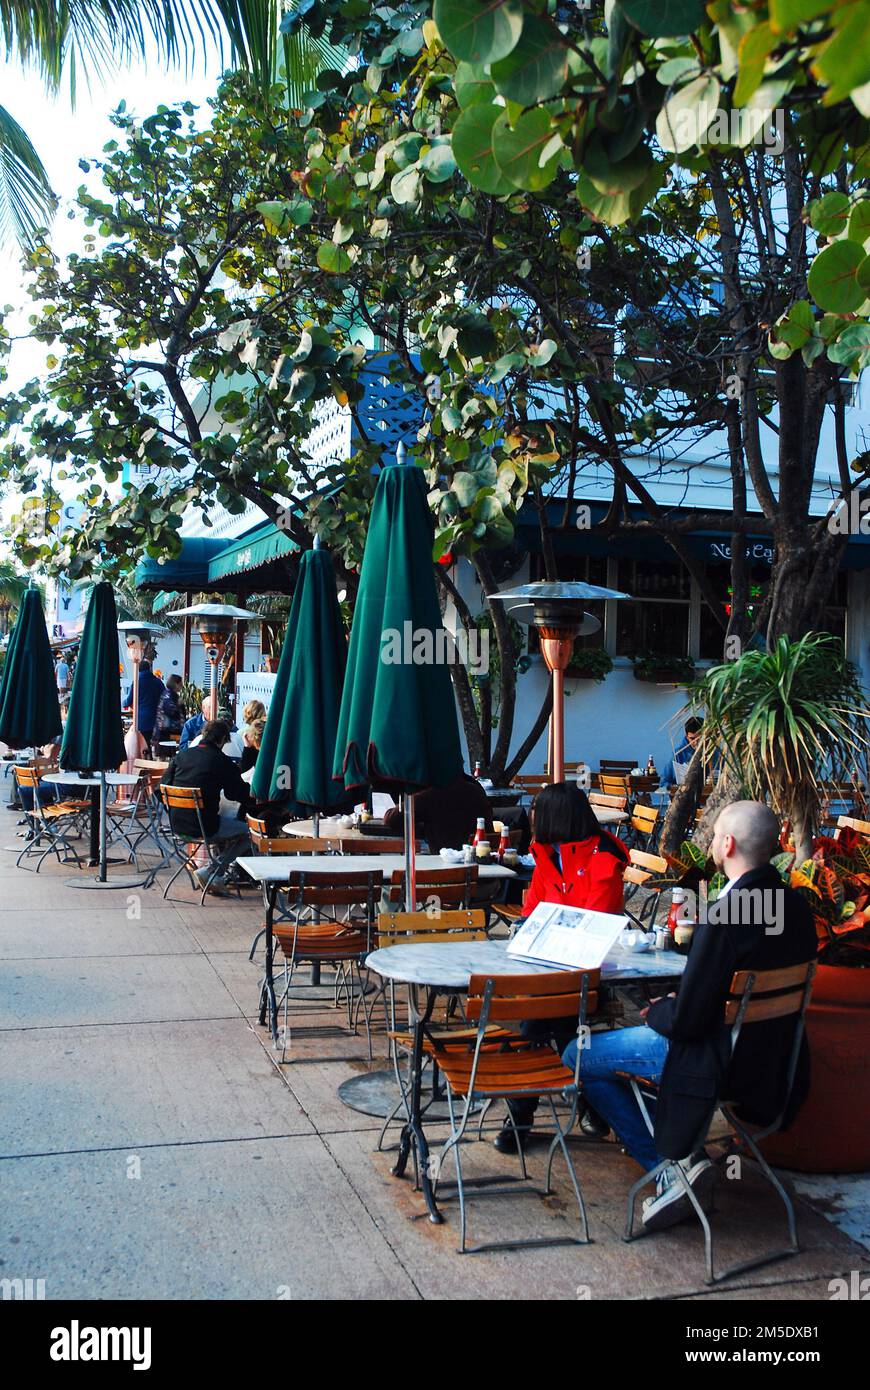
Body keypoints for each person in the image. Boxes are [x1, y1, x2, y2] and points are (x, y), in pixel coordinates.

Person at [560, 801, 817, 1233]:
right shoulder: (795, 908)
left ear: (728, 844)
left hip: (716, 1060)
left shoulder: (726, 915)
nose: (713, 841)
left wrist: (662, 1011)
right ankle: (683, 1151)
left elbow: (687, 1023)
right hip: (772, 1064)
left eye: (715, 834)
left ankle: (670, 1167)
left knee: (578, 1053)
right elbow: (724, 992)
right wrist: (686, 1002)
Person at [494, 782, 629, 1152]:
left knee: (534, 1024)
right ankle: (589, 1101)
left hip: (590, 977)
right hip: (546, 971)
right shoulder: (545, 856)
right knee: (552, 1022)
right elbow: (531, 913)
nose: (531, 816)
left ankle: (521, 1116)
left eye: (538, 809)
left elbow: (598, 923)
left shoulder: (603, 860)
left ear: (556, 817)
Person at [161, 720, 251, 889]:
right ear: (223, 739)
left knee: (222, 823)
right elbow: (237, 794)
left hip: (176, 825)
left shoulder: (182, 756)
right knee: (248, 834)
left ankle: (214, 877)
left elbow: (162, 789)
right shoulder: (221, 761)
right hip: (205, 827)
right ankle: (212, 870)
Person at [382, 769, 493, 851]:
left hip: (444, 874)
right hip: (484, 874)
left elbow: (391, 819)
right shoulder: (477, 790)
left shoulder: (432, 794)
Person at [123, 659, 165, 750]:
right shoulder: (158, 682)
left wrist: (123, 703)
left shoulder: (137, 682)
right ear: (149, 668)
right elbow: (165, 698)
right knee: (154, 747)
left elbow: (129, 700)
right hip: (156, 720)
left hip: (140, 721)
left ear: (138, 669)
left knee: (142, 747)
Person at [660, 716, 704, 787]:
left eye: (699, 738)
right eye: (692, 739)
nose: (696, 742)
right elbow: (664, 782)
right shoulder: (678, 754)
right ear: (686, 736)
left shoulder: (714, 752)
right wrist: (674, 787)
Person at [154, 674, 184, 739]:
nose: (182, 686)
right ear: (176, 684)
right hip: (169, 730)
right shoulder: (170, 695)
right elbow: (170, 711)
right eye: (181, 683)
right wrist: (179, 705)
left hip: (164, 730)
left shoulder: (165, 693)